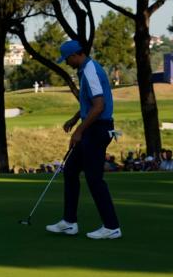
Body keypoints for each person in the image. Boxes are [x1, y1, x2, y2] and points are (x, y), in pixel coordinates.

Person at [46, 40, 122, 240]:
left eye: (67, 59)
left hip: (98, 128)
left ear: (75, 55)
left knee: (94, 178)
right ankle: (69, 222)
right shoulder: (86, 69)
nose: (67, 63)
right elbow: (90, 104)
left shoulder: (90, 71)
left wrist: (79, 130)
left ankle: (111, 226)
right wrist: (75, 118)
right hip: (93, 126)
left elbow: (99, 106)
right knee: (71, 170)